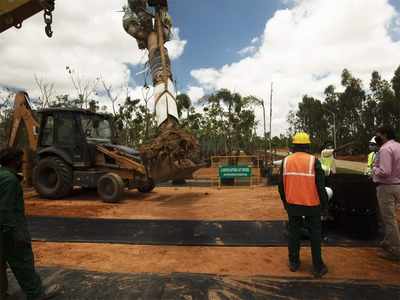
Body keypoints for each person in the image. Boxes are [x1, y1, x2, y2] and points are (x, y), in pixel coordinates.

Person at [0, 147, 61, 299]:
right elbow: (5, 210)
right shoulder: (10, 180)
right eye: (20, 160)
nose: (22, 162)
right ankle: (36, 294)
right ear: (14, 161)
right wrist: (15, 235)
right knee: (23, 264)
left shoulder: (2, 175)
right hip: (9, 231)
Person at [278, 132, 329, 278]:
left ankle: (294, 262)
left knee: (294, 233)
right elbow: (320, 186)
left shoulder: (286, 161)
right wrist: (325, 206)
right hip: (312, 205)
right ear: (307, 146)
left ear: (294, 146)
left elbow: (281, 186)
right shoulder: (314, 161)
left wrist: (285, 203)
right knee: (315, 234)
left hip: (292, 204)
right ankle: (318, 267)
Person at [372, 126, 400, 261]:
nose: (376, 137)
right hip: (398, 185)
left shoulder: (384, 149)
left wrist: (374, 169)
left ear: (384, 134)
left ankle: (395, 250)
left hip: (386, 187)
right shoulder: (398, 146)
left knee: (389, 219)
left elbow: (385, 171)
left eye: (378, 134)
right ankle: (388, 241)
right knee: (393, 216)